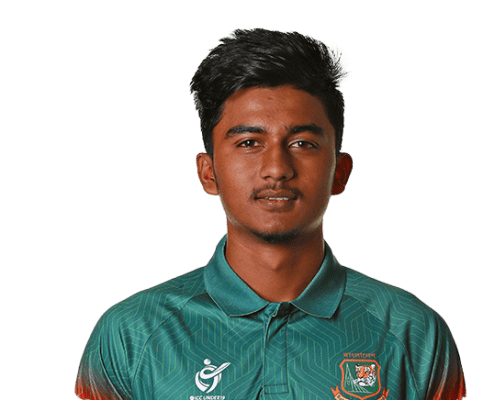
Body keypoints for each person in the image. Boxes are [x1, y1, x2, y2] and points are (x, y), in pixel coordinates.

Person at [75, 28, 466, 400]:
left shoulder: (411, 332)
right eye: (249, 142)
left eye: (302, 143)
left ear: (340, 172)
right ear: (208, 173)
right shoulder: (132, 334)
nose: (277, 169)